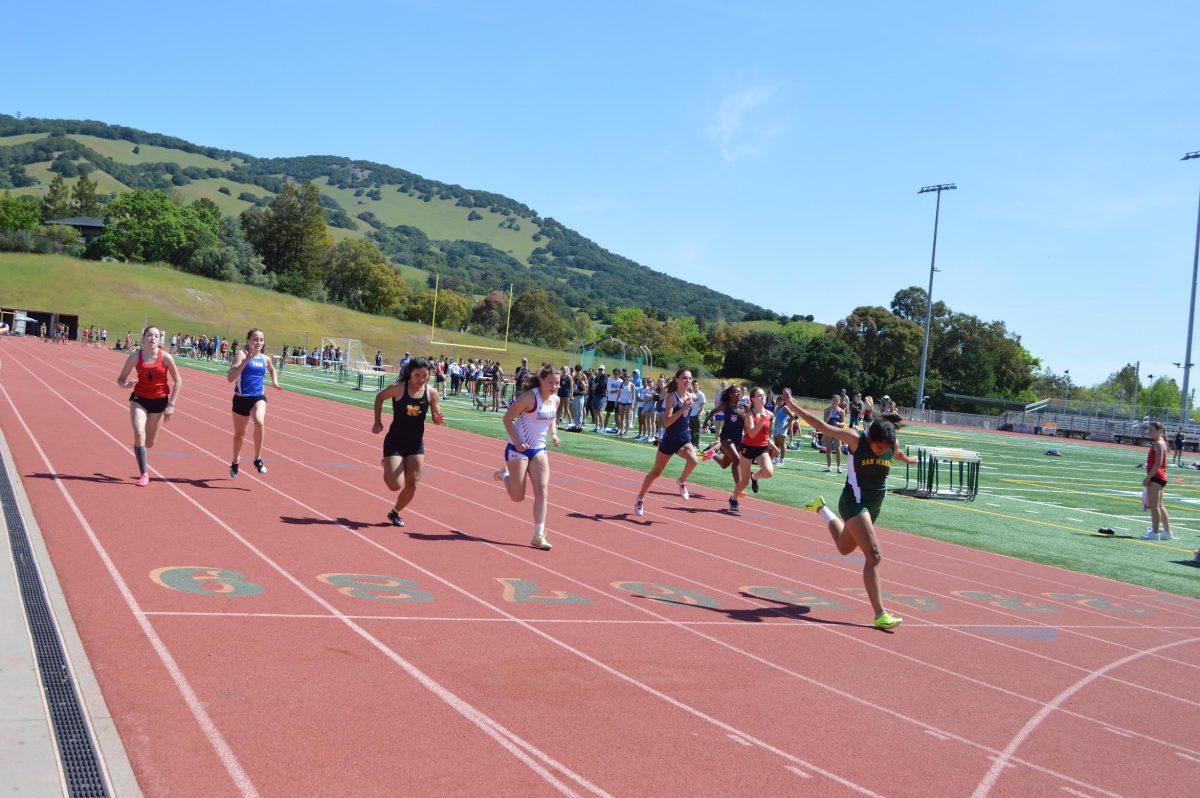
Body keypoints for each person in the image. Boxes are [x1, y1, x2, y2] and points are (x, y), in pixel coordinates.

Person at [781, 389, 913, 631]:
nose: (882, 451)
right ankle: (880, 614)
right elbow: (821, 425)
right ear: (870, 439)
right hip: (854, 502)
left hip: (873, 507)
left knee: (843, 548)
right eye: (878, 447)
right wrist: (793, 406)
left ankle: (821, 508)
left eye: (886, 448)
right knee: (873, 555)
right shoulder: (856, 439)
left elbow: (897, 452)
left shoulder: (890, 443)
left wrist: (907, 459)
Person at [373, 357, 445, 527]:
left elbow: (436, 418)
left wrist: (438, 420)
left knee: (412, 485)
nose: (421, 379)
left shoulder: (432, 393)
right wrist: (377, 421)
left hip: (415, 444)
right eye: (417, 375)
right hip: (395, 441)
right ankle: (388, 464)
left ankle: (395, 512)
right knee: (395, 485)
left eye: (425, 376)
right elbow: (379, 397)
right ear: (410, 374)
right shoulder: (398, 389)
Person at [494, 364, 560, 550]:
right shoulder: (530, 397)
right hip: (517, 449)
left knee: (543, 490)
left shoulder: (555, 400)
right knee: (517, 497)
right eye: (550, 382)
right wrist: (517, 441)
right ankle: (504, 475)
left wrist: (554, 434)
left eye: (557, 383)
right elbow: (507, 418)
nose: (554, 387)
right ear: (541, 380)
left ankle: (538, 536)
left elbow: (552, 418)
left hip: (539, 449)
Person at [115, 326, 182, 486]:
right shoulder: (134, 357)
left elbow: (178, 380)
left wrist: (171, 404)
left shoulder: (166, 358)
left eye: (156, 336)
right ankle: (144, 474)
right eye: (149, 335)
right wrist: (125, 385)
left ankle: (142, 446)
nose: (152, 338)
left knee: (149, 442)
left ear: (159, 340)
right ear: (143, 337)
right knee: (139, 433)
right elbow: (120, 379)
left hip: (159, 402)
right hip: (140, 399)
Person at [634, 369, 699, 516]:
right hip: (670, 439)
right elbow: (667, 423)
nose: (687, 381)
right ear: (676, 379)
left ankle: (681, 481)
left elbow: (696, 395)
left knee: (694, 461)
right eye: (684, 378)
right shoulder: (671, 397)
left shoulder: (690, 396)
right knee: (656, 472)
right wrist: (684, 408)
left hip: (684, 437)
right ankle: (640, 497)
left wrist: (692, 399)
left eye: (689, 379)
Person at [227, 329, 283, 477]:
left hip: (258, 398)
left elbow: (272, 370)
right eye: (255, 339)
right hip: (241, 399)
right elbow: (230, 378)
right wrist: (246, 361)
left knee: (259, 421)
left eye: (261, 340)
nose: (258, 342)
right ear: (248, 341)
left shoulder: (265, 358)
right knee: (239, 436)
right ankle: (235, 460)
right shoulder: (241, 355)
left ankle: (257, 458)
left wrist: (274, 381)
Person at [733, 387, 775, 501]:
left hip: (762, 448)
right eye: (759, 396)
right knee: (744, 481)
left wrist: (772, 444)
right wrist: (761, 421)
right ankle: (733, 498)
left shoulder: (770, 414)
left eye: (764, 395)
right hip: (748, 448)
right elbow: (751, 434)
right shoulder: (750, 414)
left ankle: (755, 476)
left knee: (768, 472)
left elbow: (766, 433)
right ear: (753, 399)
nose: (763, 398)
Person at [1142, 421, 1174, 540]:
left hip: (1156, 477)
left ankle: (1155, 533)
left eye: (1151, 430)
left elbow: (1158, 464)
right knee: (1160, 506)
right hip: (1160, 476)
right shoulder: (1160, 443)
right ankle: (1167, 532)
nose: (1149, 432)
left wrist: (1148, 477)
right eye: (1148, 429)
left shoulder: (1159, 444)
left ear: (1159, 431)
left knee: (1154, 506)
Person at [823, 394, 845, 473]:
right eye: (834, 400)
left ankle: (839, 467)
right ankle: (829, 467)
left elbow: (843, 423)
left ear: (839, 402)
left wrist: (839, 424)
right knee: (828, 449)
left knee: (838, 449)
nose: (835, 402)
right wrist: (830, 413)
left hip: (837, 431)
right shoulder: (827, 410)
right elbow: (825, 422)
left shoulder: (841, 411)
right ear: (831, 400)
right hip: (828, 430)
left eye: (837, 401)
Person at [772, 395, 795, 465]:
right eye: (778, 401)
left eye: (781, 401)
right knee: (776, 444)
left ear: (783, 401)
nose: (779, 402)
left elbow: (792, 417)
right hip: (776, 427)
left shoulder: (785, 408)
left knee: (782, 444)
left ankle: (782, 459)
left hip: (782, 428)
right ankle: (776, 458)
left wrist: (787, 425)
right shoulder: (777, 408)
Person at [590, 365, 608, 431]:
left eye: (602, 369)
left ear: (604, 370)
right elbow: (593, 384)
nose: (600, 371)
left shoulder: (605, 377)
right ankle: (597, 426)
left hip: (602, 395)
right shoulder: (597, 377)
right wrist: (596, 385)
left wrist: (596, 385)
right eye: (599, 369)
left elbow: (602, 385)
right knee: (594, 410)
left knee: (599, 410)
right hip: (596, 394)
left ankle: (602, 427)